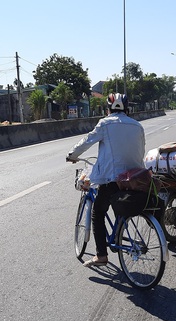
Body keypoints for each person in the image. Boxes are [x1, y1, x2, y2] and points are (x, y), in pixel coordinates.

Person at [66, 93, 146, 267]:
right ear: (127, 108)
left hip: (113, 178)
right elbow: (141, 151)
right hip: (135, 177)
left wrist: (72, 155)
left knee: (98, 213)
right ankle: (118, 232)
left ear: (107, 109)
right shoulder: (137, 126)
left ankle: (101, 256)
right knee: (120, 206)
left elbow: (87, 141)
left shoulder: (105, 123)